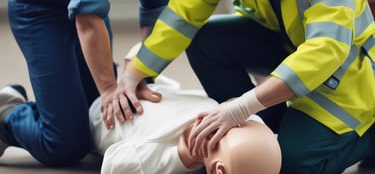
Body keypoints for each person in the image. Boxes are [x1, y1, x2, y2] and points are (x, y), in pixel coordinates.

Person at [104, 0, 375, 173]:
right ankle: (264, 122)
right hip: (286, 45)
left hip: (346, 73)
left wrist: (243, 106)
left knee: (285, 164)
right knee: (205, 41)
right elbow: (183, 13)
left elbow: (327, 47)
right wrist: (135, 73)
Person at [0, 0, 198, 167]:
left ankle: (53, 110)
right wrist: (109, 89)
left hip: (86, 4)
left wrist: (140, 74)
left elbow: (154, 10)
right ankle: (7, 114)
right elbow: (87, 17)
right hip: (39, 4)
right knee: (65, 144)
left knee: (98, 117)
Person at [89, 70, 281, 174]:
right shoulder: (155, 145)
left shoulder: (156, 145)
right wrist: (178, 158)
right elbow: (113, 166)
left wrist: (181, 157)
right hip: (103, 113)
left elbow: (113, 164)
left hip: (151, 101)